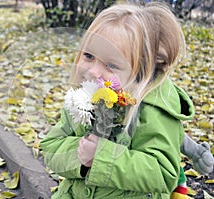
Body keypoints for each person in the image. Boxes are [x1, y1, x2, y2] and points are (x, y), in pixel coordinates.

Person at [40, 2, 212, 199]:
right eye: (88, 56)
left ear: (141, 71)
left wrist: (101, 157)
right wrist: (81, 157)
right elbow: (51, 147)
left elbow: (164, 173)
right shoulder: (83, 100)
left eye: (111, 64)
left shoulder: (152, 109)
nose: (93, 71)